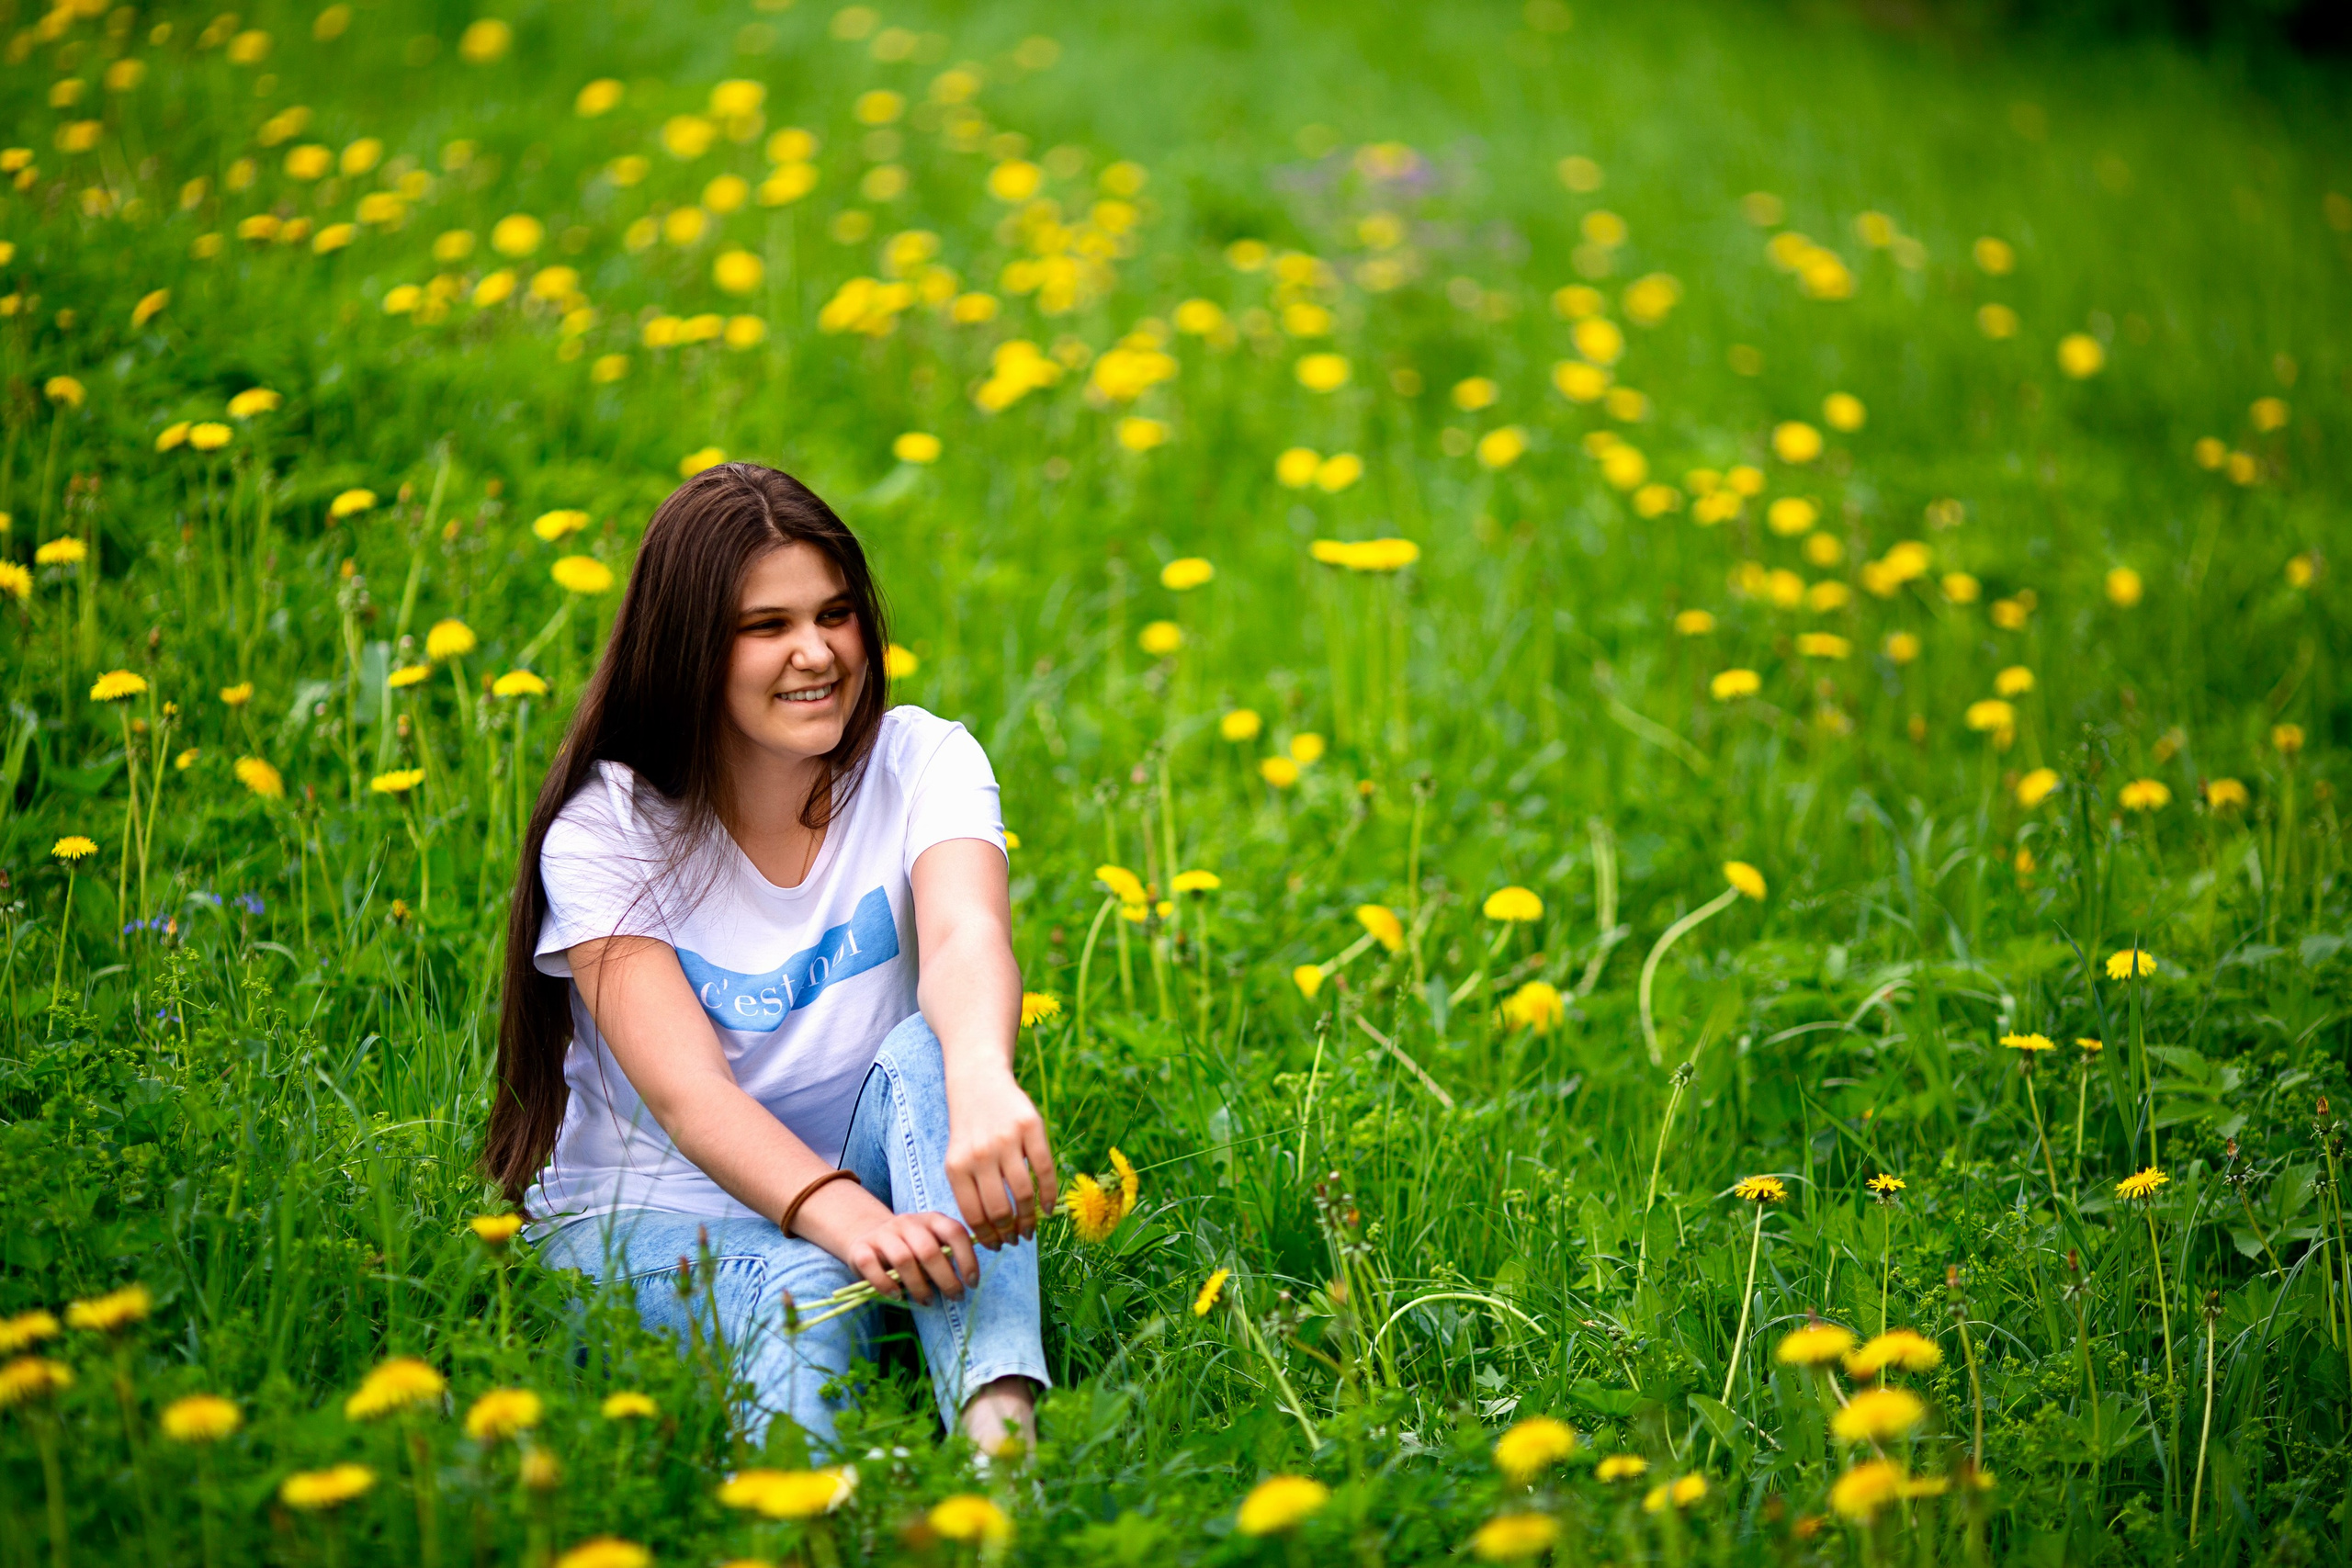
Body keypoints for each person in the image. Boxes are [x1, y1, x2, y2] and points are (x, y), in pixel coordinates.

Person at [484, 461, 1055, 1454]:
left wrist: (983, 1080)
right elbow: (689, 1096)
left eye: (835, 615)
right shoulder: (608, 830)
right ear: (690, 647)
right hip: (648, 1225)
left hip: (864, 1199)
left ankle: (1000, 1452)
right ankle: (811, 1519)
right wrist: (840, 1218)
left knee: (934, 1056)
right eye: (767, 627)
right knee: (803, 1284)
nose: (817, 653)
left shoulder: (923, 760)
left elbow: (967, 933)